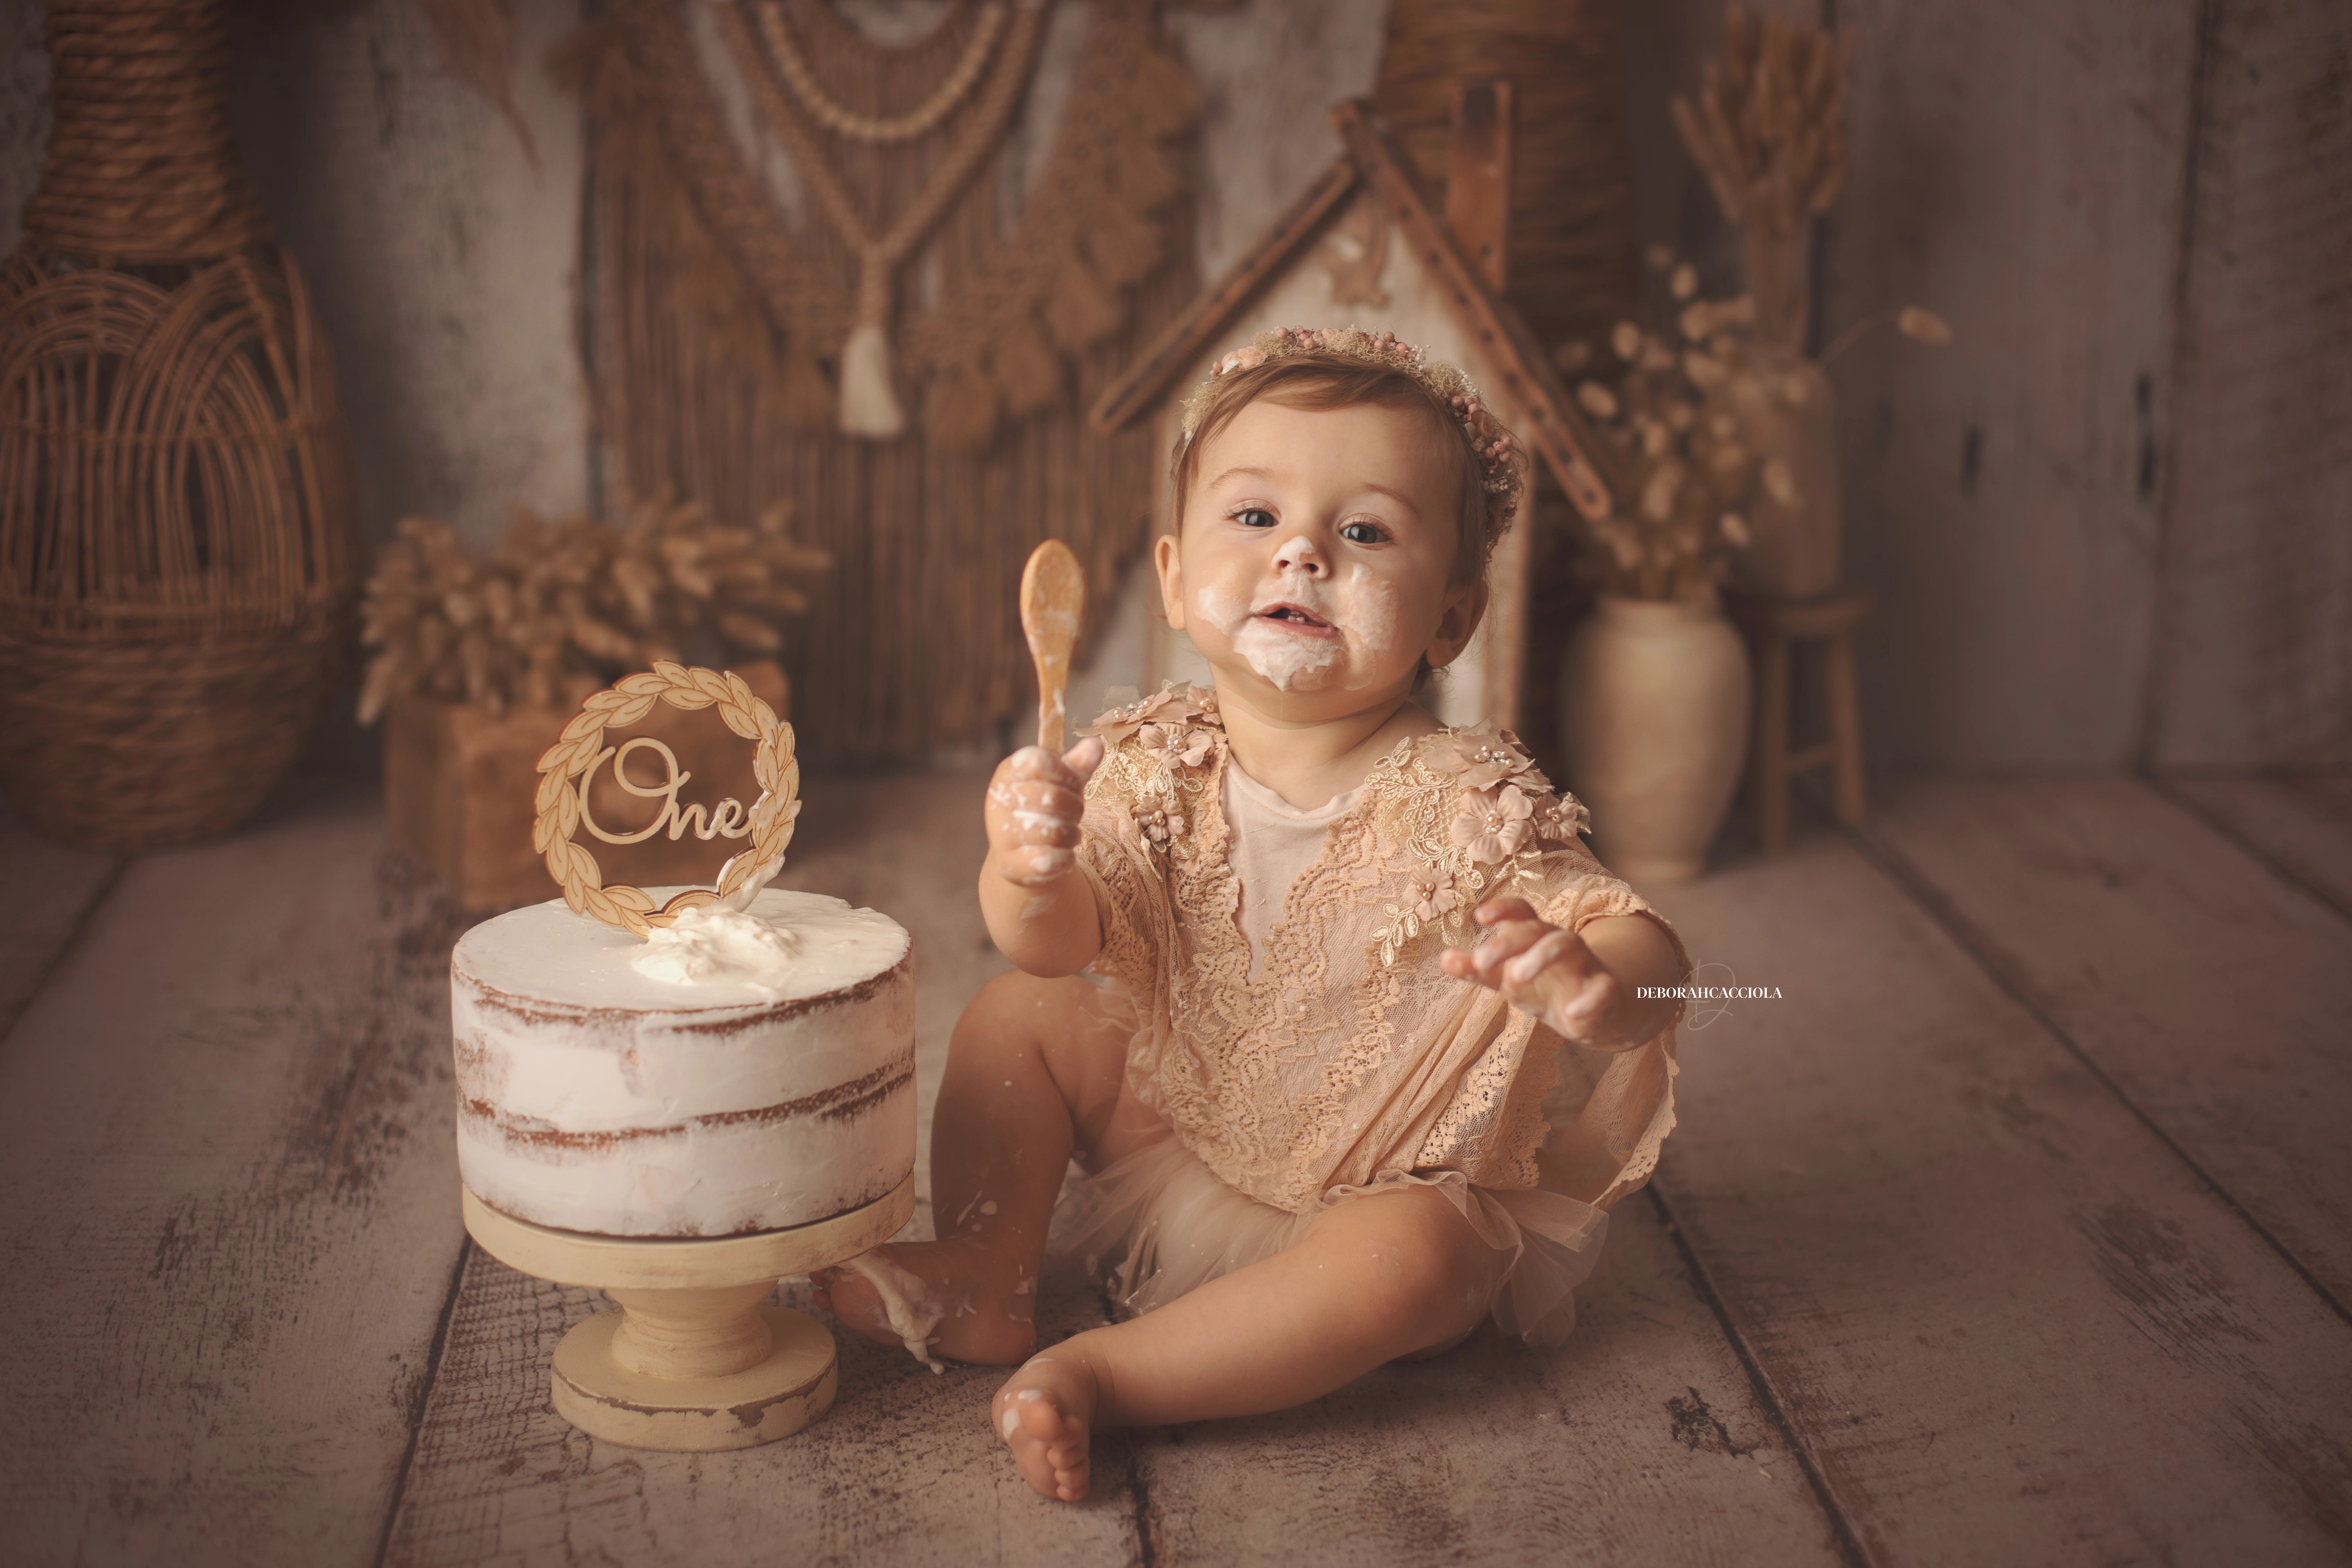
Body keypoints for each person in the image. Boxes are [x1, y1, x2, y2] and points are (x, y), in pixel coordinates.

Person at [817, 326, 1691, 1502]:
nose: (1302, 554)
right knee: (1026, 1008)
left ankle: (1109, 1373)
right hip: (1180, 1130)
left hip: (1370, 1195)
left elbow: (1652, 949)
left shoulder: (1468, 798)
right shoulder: (1151, 759)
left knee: (1421, 1256)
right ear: (1175, 578)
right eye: (1253, 518)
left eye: (1365, 530)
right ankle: (984, 1267)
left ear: (1450, 617)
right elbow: (1057, 943)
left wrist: (1593, 975)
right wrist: (1026, 872)